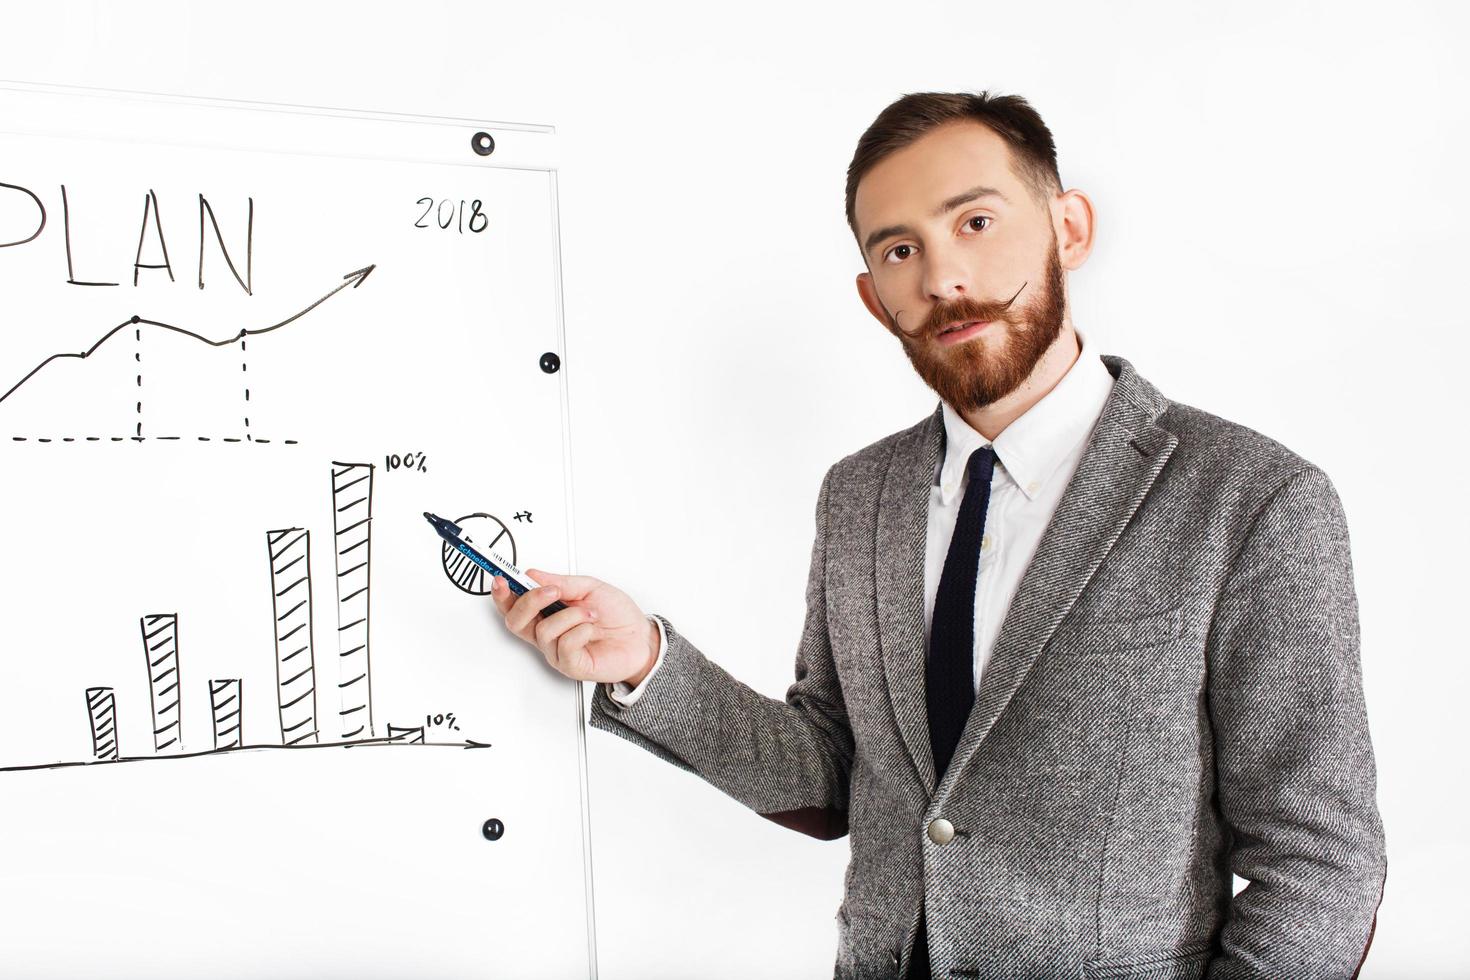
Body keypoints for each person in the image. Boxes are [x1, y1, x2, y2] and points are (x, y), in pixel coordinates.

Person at [488, 90, 1387, 979]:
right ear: (874, 297)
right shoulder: (859, 495)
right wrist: (645, 660)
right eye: (900, 250)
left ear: (1068, 228)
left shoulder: (1253, 499)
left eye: (977, 223)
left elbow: (1319, 861)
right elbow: (836, 773)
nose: (942, 279)